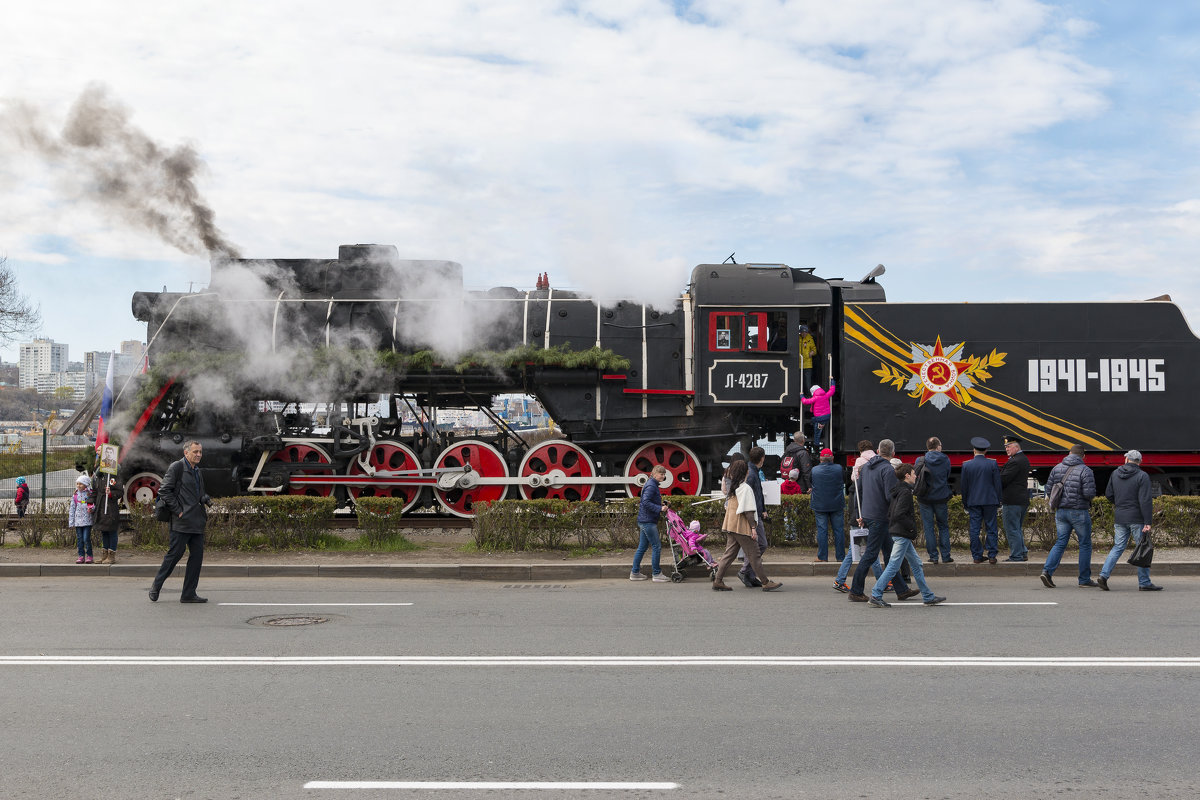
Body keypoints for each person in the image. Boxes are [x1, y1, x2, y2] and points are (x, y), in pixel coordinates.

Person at [849, 439, 918, 603]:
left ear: (878, 451)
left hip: (869, 514)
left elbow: (860, 491)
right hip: (881, 517)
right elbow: (890, 496)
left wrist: (860, 513)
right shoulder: (888, 470)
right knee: (872, 554)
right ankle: (856, 590)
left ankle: (901, 590)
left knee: (889, 554)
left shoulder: (865, 468)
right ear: (893, 453)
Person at [868, 464, 946, 607]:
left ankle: (928, 596)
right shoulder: (905, 493)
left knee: (916, 563)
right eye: (913, 473)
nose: (916, 475)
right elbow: (899, 514)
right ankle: (876, 593)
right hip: (902, 534)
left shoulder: (898, 491)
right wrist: (911, 528)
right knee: (893, 565)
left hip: (899, 532)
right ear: (907, 476)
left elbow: (892, 513)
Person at [150, 440, 213, 603]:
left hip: (197, 521)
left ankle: (188, 594)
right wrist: (178, 511)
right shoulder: (176, 467)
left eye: (200, 452)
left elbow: (198, 493)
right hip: (181, 522)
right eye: (195, 452)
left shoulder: (197, 471)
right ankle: (156, 586)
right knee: (174, 556)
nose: (199, 455)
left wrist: (204, 499)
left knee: (197, 558)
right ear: (186, 453)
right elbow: (164, 490)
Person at [712, 459, 781, 592]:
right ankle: (766, 582)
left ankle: (718, 580)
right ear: (746, 472)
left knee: (729, 554)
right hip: (742, 526)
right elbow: (748, 510)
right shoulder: (745, 488)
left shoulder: (734, 487)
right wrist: (753, 528)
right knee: (754, 554)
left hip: (731, 524)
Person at [1100, 450, 1161, 591]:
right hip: (1137, 518)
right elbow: (1145, 500)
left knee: (1118, 547)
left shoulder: (1115, 473)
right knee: (1142, 548)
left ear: (1126, 459)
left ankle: (1103, 576)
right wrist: (1148, 522)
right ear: (1140, 461)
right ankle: (1144, 583)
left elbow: (1109, 494)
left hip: (1120, 516)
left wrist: (1120, 505)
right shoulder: (1142, 476)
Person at [1040, 444, 1097, 588]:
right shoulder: (1086, 470)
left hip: (1061, 512)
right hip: (1079, 511)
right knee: (1084, 544)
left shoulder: (1056, 468)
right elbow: (1089, 494)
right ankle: (1084, 579)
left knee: (1060, 542)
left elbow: (1049, 489)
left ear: (1069, 453)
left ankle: (1047, 571)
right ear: (1083, 456)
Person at [959, 436, 1002, 564]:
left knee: (974, 529)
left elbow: (964, 487)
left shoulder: (966, 465)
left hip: (973, 502)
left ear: (974, 450)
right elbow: (997, 485)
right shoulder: (992, 463)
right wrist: (999, 501)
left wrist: (965, 503)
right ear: (985, 451)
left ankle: (977, 556)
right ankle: (992, 555)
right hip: (990, 501)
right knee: (992, 528)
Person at [914, 437, 953, 564]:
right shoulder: (945, 459)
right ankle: (946, 556)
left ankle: (933, 557)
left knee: (928, 527)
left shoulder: (920, 460)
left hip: (925, 498)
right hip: (941, 497)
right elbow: (947, 475)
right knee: (943, 526)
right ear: (938, 446)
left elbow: (916, 477)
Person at [630, 464, 669, 582]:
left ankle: (635, 573)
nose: (663, 476)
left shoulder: (651, 484)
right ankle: (656, 574)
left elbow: (647, 501)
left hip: (644, 520)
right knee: (656, 547)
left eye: (664, 474)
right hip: (648, 521)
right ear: (655, 474)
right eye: (661, 474)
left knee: (642, 547)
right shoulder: (652, 486)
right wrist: (659, 509)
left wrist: (660, 505)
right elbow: (645, 502)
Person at [738, 446, 769, 587]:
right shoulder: (751, 474)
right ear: (762, 458)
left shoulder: (752, 471)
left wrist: (763, 509)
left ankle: (749, 574)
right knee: (761, 545)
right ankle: (745, 571)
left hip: (757, 512)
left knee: (756, 546)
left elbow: (757, 494)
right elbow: (748, 495)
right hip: (753, 515)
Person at [999, 434, 1031, 562]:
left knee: (1011, 528)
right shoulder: (1022, 459)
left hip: (1012, 500)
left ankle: (1016, 555)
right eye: (1006, 447)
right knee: (1016, 528)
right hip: (1021, 500)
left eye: (1009, 446)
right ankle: (1022, 552)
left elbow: (1003, 479)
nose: (1006, 449)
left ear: (1016, 447)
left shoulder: (1015, 461)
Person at [810, 448, 845, 563]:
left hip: (820, 504)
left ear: (820, 458)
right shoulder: (839, 469)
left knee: (822, 530)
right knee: (839, 531)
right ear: (832, 458)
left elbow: (811, 482)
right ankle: (840, 557)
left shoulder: (814, 470)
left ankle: (822, 557)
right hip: (837, 504)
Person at [93, 474, 124, 565]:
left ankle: (111, 556)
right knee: (104, 531)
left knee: (112, 532)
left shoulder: (114, 477)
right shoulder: (98, 476)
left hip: (111, 509)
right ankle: (104, 555)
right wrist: (90, 503)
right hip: (101, 508)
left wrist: (111, 493)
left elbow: (120, 492)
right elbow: (95, 491)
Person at [68, 475, 95, 564]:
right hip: (78, 521)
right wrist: (71, 522)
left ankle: (89, 555)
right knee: (79, 539)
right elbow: (72, 509)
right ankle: (81, 556)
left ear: (86, 484)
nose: (78, 485)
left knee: (86, 538)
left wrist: (92, 509)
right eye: (77, 484)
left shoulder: (90, 494)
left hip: (87, 521)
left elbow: (94, 505)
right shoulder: (75, 495)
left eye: (81, 484)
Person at [801, 380, 836, 449]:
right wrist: (832, 382)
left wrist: (801, 396)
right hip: (827, 416)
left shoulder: (815, 398)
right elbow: (832, 390)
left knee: (817, 432)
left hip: (819, 418)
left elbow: (805, 401)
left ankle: (816, 444)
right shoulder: (825, 395)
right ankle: (816, 424)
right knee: (815, 422)